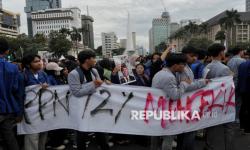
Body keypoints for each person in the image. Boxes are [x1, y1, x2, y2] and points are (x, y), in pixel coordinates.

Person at [67, 50, 109, 150]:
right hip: (81, 109)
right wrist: (93, 84)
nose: (95, 60)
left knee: (100, 131)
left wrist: (105, 83)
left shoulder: (94, 71)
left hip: (94, 106)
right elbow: (76, 92)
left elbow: (99, 85)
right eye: (93, 58)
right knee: (82, 133)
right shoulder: (73, 74)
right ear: (87, 60)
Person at [152, 53, 191, 150]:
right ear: (175, 65)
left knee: (156, 136)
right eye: (183, 64)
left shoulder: (160, 73)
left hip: (157, 108)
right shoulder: (169, 77)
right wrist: (184, 83)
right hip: (165, 111)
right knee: (169, 137)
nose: (185, 67)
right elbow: (175, 96)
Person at [176, 46, 208, 150]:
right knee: (190, 130)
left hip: (187, 102)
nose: (195, 58)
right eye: (192, 56)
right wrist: (202, 83)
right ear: (185, 55)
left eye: (196, 56)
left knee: (184, 131)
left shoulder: (187, 66)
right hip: (185, 102)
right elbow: (186, 86)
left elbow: (188, 83)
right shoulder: (183, 68)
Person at [204, 43, 234, 150]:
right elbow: (229, 86)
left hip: (210, 100)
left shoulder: (207, 67)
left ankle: (209, 146)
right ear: (221, 53)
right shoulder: (224, 69)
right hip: (223, 100)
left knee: (210, 125)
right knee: (228, 126)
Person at [22, 54, 50, 150]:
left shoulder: (43, 74)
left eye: (40, 60)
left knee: (43, 133)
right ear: (28, 64)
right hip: (30, 111)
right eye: (36, 61)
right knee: (32, 136)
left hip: (44, 109)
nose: (39, 63)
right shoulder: (23, 76)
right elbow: (21, 93)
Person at [0, 38, 23, 150]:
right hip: (8, 109)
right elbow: (16, 89)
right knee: (10, 138)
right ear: (7, 51)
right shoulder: (13, 68)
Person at [227, 46, 245, 124]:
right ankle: (236, 118)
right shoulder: (242, 61)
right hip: (239, 84)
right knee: (239, 102)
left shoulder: (229, 61)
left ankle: (231, 117)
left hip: (231, 83)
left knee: (232, 101)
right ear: (240, 51)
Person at [238, 60, 250, 134]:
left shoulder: (242, 64)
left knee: (243, 107)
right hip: (248, 89)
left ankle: (242, 126)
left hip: (242, 89)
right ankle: (247, 128)